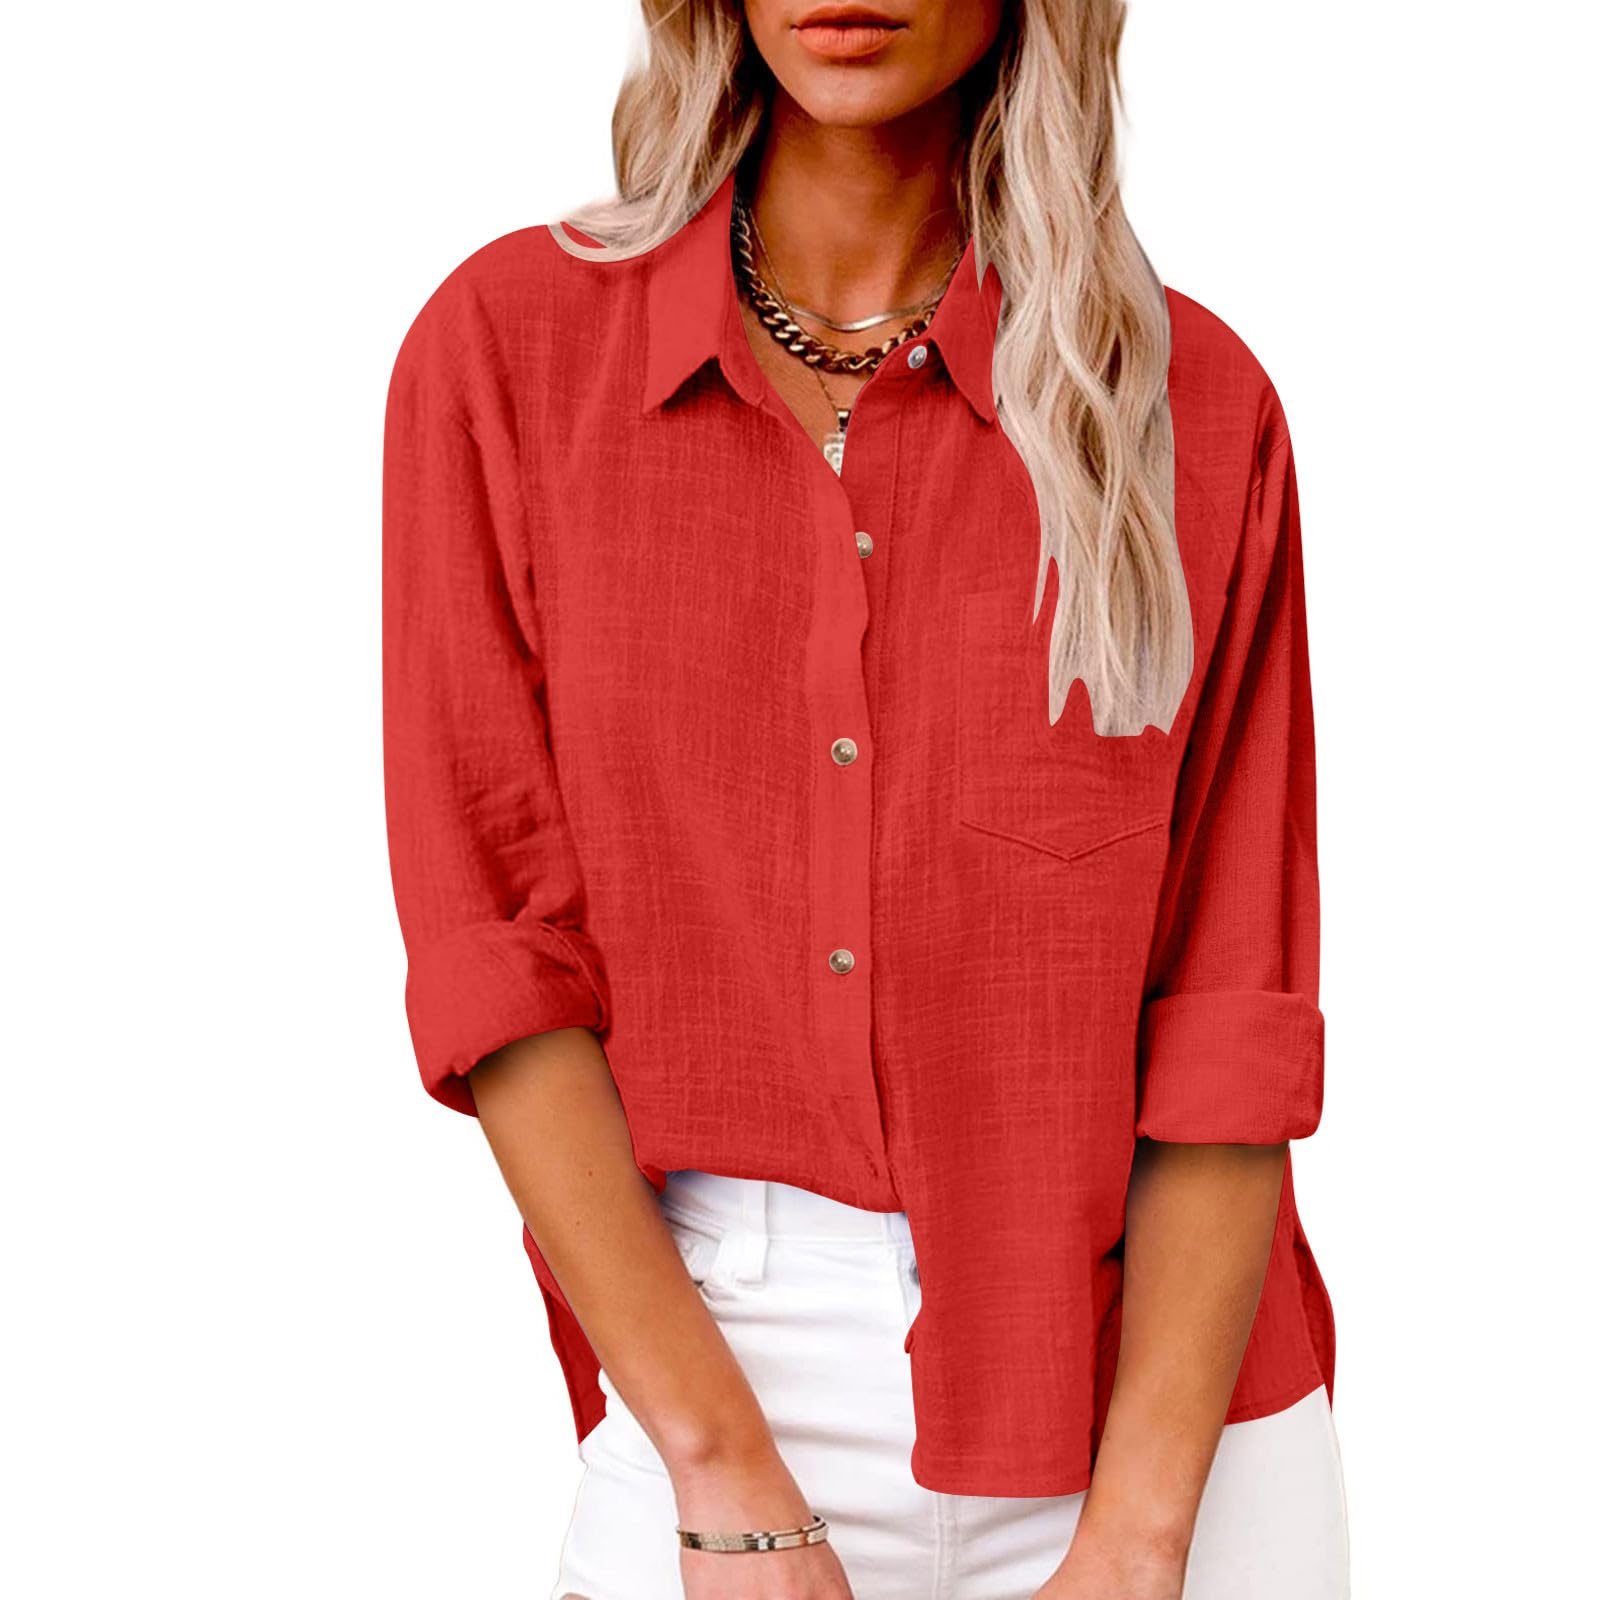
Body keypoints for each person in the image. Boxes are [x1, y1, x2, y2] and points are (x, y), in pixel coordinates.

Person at [380, 2, 1350, 1596]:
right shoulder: (511, 354)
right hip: (720, 1366)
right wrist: (720, 1475)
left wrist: (1140, 1539)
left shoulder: (1196, 407)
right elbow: (496, 958)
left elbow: (1232, 1011)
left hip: (1166, 1412)